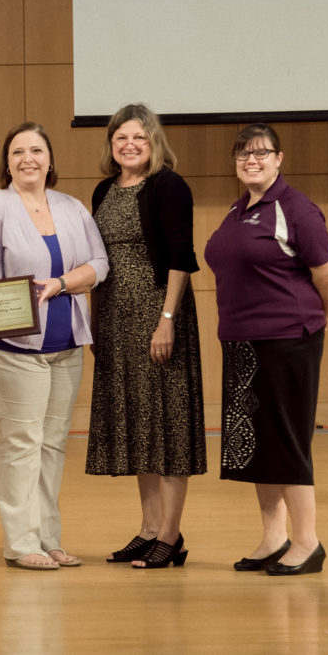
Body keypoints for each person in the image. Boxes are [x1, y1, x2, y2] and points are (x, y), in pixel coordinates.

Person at [0, 122, 108, 570]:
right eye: (19, 151)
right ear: (6, 162)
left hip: (66, 347)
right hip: (13, 349)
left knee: (53, 444)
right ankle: (21, 542)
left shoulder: (71, 207)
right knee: (23, 442)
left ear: (50, 159)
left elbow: (98, 263)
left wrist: (63, 283)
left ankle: (49, 537)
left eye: (37, 150)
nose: (29, 158)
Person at [205, 123, 328, 576]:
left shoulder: (297, 209)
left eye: (261, 153)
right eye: (243, 154)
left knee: (286, 441)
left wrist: (322, 317)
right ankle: (274, 538)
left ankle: (307, 542)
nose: (251, 160)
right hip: (242, 344)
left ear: (279, 158)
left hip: (287, 341)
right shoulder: (240, 208)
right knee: (257, 445)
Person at [85, 103, 206, 569]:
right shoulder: (103, 190)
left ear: (154, 142)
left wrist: (167, 319)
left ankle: (171, 536)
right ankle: (150, 529)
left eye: (139, 137)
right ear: (111, 146)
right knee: (141, 425)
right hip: (116, 320)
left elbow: (181, 256)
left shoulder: (168, 186)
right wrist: (96, 323)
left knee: (169, 425)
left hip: (160, 318)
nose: (130, 145)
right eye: (121, 138)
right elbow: (99, 263)